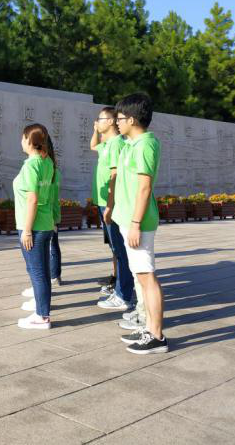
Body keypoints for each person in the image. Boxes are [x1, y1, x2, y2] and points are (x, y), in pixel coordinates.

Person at [112, 93, 168, 354]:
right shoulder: (132, 144)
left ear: (132, 119)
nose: (117, 122)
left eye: (120, 118)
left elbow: (144, 187)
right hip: (129, 219)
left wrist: (135, 223)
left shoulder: (146, 145)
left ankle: (157, 336)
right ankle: (149, 327)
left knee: (147, 276)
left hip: (139, 221)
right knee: (141, 276)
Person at [90, 107, 137, 315]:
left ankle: (123, 295)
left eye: (99, 119)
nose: (97, 122)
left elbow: (115, 177)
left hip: (111, 204)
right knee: (115, 249)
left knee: (120, 250)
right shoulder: (107, 144)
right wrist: (95, 129)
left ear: (110, 122)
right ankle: (119, 289)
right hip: (104, 202)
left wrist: (110, 205)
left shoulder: (117, 143)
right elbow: (93, 146)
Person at [15, 123, 56, 330]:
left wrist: (27, 230)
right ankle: (42, 311)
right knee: (43, 272)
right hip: (45, 223)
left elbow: (32, 199)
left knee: (37, 272)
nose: (21, 141)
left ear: (30, 141)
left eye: (23, 138)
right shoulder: (47, 162)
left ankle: (42, 316)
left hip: (34, 225)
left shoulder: (31, 165)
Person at [48, 137, 62, 286]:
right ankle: (55, 275)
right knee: (54, 244)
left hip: (49, 215)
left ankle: (54, 275)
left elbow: (50, 196)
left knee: (51, 246)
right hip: (54, 213)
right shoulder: (55, 170)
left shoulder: (48, 170)